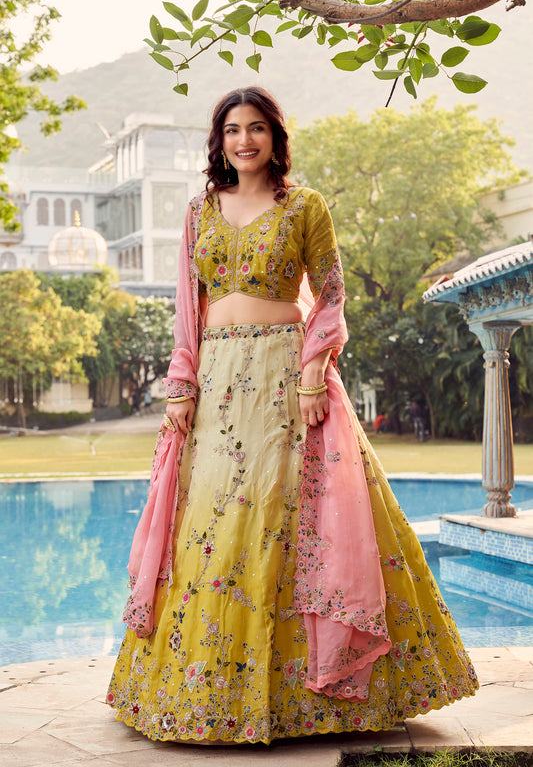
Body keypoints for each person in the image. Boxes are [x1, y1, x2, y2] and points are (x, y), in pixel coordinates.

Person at [106, 87, 477, 744]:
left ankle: (315, 697)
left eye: (256, 129)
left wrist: (312, 372)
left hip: (285, 379)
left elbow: (329, 295)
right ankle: (202, 695)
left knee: (285, 516)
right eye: (231, 130)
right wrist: (180, 387)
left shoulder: (305, 207)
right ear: (217, 142)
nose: (243, 141)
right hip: (218, 384)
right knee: (213, 525)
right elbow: (186, 308)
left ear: (276, 138)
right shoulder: (199, 211)